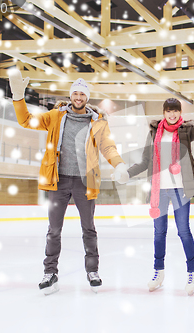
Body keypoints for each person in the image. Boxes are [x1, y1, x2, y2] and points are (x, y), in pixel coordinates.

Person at [8, 69, 129, 295]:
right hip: (58, 181)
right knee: (54, 230)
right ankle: (50, 273)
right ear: (71, 95)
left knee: (89, 229)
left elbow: (108, 147)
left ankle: (93, 271)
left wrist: (119, 164)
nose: (78, 98)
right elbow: (26, 120)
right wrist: (18, 97)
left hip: (84, 182)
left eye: (82, 94)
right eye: (75, 93)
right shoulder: (55, 116)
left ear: (87, 97)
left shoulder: (98, 122)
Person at [115, 97, 194, 296]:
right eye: (169, 111)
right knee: (159, 233)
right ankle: (158, 272)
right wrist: (127, 173)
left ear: (179, 113)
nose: (172, 114)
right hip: (159, 190)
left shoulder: (185, 131)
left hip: (180, 189)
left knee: (184, 231)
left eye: (176, 111)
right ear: (164, 112)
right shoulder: (154, 133)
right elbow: (145, 161)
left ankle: (193, 273)